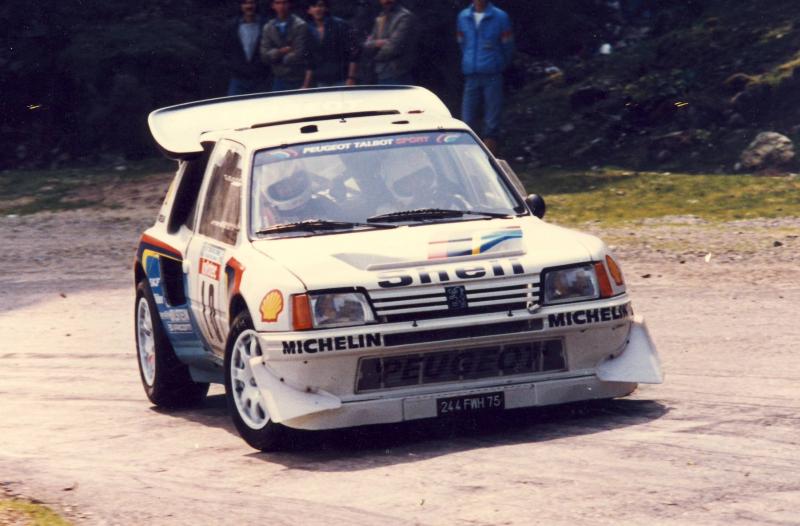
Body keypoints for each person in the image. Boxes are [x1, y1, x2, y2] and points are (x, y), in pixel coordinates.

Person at [457, 0, 514, 155]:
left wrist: (499, 64)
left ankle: (491, 158)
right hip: (471, 75)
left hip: (492, 74)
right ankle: (468, 156)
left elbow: (508, 46)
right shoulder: (463, 16)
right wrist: (469, 61)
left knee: (491, 121)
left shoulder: (500, 17)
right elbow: (462, 43)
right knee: (467, 119)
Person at [260, 0, 313, 91]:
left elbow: (299, 54)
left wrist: (276, 58)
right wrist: (281, 52)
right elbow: (264, 56)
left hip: (298, 78)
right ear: (273, 5)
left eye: (284, 3)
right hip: (278, 79)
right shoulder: (268, 27)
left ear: (289, 4)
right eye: (278, 3)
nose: (281, 6)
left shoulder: (300, 25)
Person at [363, 0, 418, 85]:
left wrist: (374, 55)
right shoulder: (381, 16)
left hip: (398, 74)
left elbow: (393, 47)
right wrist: (382, 42)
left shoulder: (404, 17)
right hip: (381, 74)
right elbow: (367, 45)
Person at [306, 0, 359, 87]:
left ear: (326, 8)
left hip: (342, 79)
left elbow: (354, 52)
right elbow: (310, 60)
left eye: (320, 5)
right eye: (314, 6)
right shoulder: (308, 30)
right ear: (309, 10)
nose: (318, 9)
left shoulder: (340, 25)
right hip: (321, 81)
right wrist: (306, 85)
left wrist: (351, 77)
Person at [224, 0, 270, 95]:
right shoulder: (232, 26)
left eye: (252, 3)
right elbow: (225, 50)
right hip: (238, 79)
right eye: (245, 3)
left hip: (260, 79)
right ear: (241, 6)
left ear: (256, 4)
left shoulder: (266, 25)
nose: (249, 6)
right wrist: (234, 67)